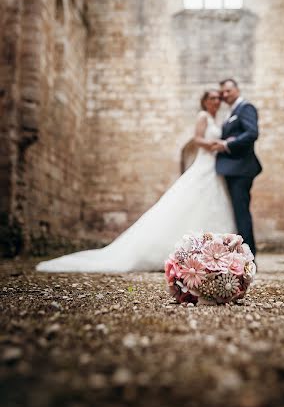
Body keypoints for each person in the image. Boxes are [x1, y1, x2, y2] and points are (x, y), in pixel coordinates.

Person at [36, 90, 236, 273]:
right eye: (212, 98)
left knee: (208, 204)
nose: (216, 101)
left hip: (214, 167)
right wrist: (214, 144)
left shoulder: (215, 119)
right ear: (205, 101)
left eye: (218, 98)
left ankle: (211, 254)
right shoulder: (203, 117)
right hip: (204, 163)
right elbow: (197, 139)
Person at [212, 78, 262, 256]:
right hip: (231, 169)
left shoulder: (245, 108)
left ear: (237, 90)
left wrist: (226, 145)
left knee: (242, 214)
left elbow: (252, 133)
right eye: (223, 92)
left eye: (228, 91)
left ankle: (250, 258)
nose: (225, 95)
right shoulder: (231, 112)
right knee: (236, 213)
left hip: (241, 169)